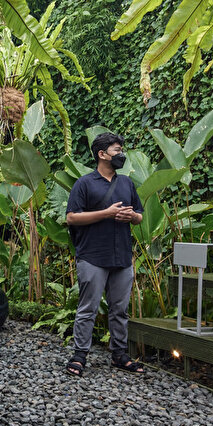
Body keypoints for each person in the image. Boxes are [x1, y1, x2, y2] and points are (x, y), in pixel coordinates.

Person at [65, 131, 144, 376]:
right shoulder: (84, 183)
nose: (121, 155)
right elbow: (71, 217)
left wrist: (131, 217)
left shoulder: (127, 183)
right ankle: (79, 355)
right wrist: (107, 213)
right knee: (88, 308)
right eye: (117, 151)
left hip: (121, 256)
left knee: (120, 309)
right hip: (92, 255)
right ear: (102, 154)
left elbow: (139, 216)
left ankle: (119, 354)